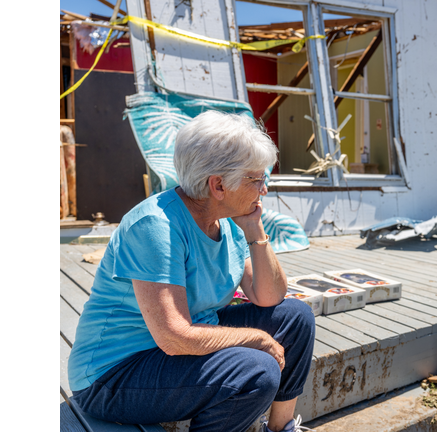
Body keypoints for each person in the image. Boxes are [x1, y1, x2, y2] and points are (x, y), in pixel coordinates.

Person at [67, 111, 315, 432]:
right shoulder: (156, 225)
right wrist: (257, 339)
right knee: (257, 369)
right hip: (113, 375)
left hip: (178, 347)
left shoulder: (227, 223)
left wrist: (254, 230)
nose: (263, 189)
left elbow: (269, 297)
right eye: (256, 179)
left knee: (295, 316)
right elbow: (174, 337)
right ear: (219, 185)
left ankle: (281, 428)